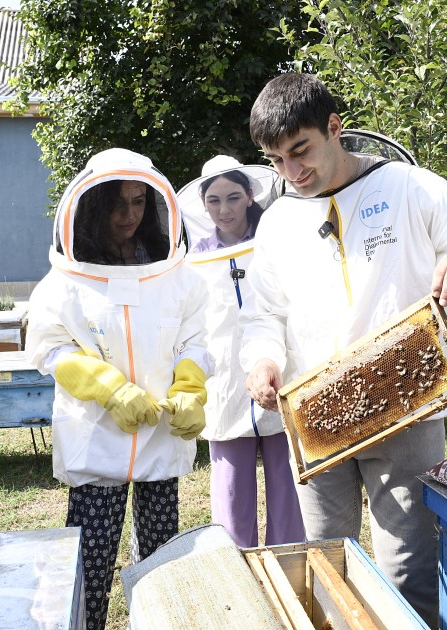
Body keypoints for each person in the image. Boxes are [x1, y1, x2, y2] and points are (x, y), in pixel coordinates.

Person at [240, 74, 447, 625]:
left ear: (334, 127)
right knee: (325, 563)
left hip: (406, 409)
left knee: (409, 566)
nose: (291, 172)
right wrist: (263, 361)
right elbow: (263, 314)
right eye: (276, 160)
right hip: (315, 415)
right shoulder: (277, 222)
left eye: (300, 151)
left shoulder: (407, 187)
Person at [26, 148, 210, 630]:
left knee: (160, 559)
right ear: (92, 208)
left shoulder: (177, 277)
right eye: (117, 204)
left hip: (159, 434)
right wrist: (106, 387)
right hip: (96, 438)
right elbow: (49, 349)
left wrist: (190, 386)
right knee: (89, 564)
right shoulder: (64, 282)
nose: (129, 216)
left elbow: (196, 339)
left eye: (139, 202)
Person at [177, 156, 305, 548]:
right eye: (214, 201)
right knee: (231, 498)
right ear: (203, 205)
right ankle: (242, 577)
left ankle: (289, 567)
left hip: (280, 375)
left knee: (291, 491)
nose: (224, 209)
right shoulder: (193, 259)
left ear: (251, 195)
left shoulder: (277, 243)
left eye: (233, 197)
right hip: (226, 386)